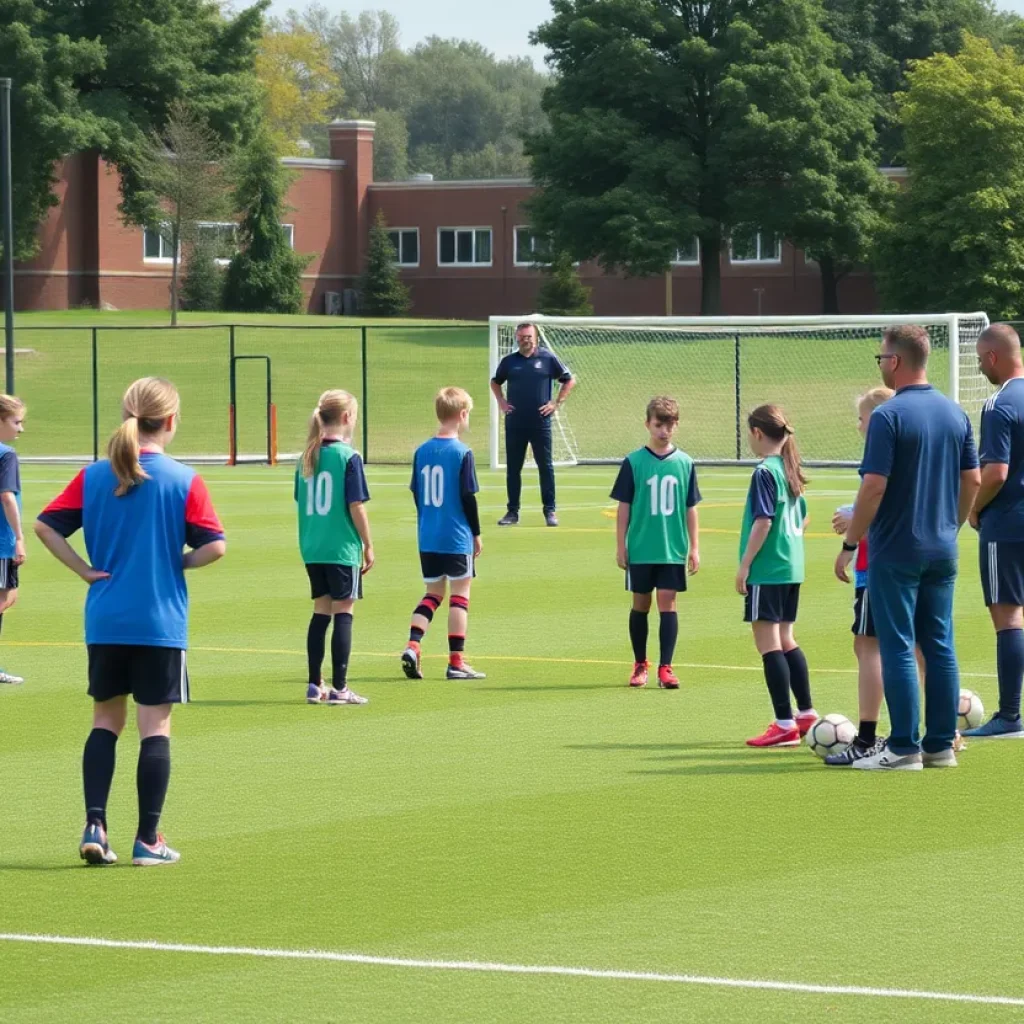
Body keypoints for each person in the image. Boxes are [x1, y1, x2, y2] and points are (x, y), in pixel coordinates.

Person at [35, 377, 226, 866]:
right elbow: (214, 546)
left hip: (106, 618)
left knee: (105, 721)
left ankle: (95, 823)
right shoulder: (184, 479)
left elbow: (45, 526)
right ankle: (149, 840)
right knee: (155, 727)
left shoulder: (95, 475)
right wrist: (173, 561)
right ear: (171, 421)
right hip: (159, 620)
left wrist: (83, 570)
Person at [835, 325, 980, 770]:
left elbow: (874, 487)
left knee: (897, 644)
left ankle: (902, 747)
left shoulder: (887, 416)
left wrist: (850, 542)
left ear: (895, 362)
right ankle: (939, 745)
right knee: (939, 644)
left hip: (896, 549)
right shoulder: (956, 414)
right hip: (942, 548)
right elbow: (971, 480)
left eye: (881, 358)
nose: (882, 365)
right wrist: (947, 525)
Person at [736, 405, 817, 747]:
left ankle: (784, 723)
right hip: (792, 566)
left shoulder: (765, 471)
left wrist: (745, 565)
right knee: (787, 639)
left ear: (757, 433)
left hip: (769, 568)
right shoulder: (789, 469)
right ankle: (805, 713)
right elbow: (803, 517)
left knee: (768, 643)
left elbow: (764, 520)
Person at [611, 396, 700, 689]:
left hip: (672, 548)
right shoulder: (634, 462)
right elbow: (624, 507)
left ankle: (666, 667)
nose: (664, 430)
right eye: (658, 424)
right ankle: (640, 664)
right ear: (647, 424)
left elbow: (691, 508)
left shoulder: (685, 463)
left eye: (669, 425)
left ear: (677, 425)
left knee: (668, 604)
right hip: (641, 547)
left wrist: (694, 547)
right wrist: (621, 545)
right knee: (640, 604)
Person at [826, 387, 894, 764]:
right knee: (918, 648)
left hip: (878, 564)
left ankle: (867, 738)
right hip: (916, 560)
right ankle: (941, 731)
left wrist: (853, 531)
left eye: (862, 418)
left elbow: (879, 503)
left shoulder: (880, 454)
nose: (858, 425)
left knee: (868, 647)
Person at [401, 387, 486, 681]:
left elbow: (416, 493)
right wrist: (476, 533)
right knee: (460, 596)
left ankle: (413, 644)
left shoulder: (421, 451)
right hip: (455, 535)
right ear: (462, 415)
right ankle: (456, 662)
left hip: (428, 536)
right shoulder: (463, 452)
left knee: (432, 594)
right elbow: (468, 497)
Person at [965, 323, 1024, 738]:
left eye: (979, 360)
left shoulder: (998, 404)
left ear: (991, 358)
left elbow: (997, 472)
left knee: (1009, 618)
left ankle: (1009, 717)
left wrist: (972, 507)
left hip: (1007, 523)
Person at [296, 390, 372, 707]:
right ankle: (340, 688)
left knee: (320, 612)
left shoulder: (306, 457)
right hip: (341, 548)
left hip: (313, 547)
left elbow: (301, 500)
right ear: (346, 418)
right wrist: (368, 543)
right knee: (344, 612)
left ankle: (315, 685)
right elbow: (356, 505)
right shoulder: (347, 457)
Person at [490, 322, 575, 528]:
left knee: (545, 467)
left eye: (528, 336)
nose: (525, 340)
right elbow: (495, 382)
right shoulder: (509, 362)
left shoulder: (547, 358)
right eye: (521, 336)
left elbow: (568, 380)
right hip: (515, 423)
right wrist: (501, 402)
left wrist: (555, 403)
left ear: (535, 338)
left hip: (540, 423)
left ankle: (550, 511)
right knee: (513, 468)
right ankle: (512, 512)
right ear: (516, 338)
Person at [0, 395, 26, 686]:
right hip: (1, 541)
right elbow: (7, 496)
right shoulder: (6, 455)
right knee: (6, 597)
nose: (20, 429)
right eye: (16, 422)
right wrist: (19, 537)